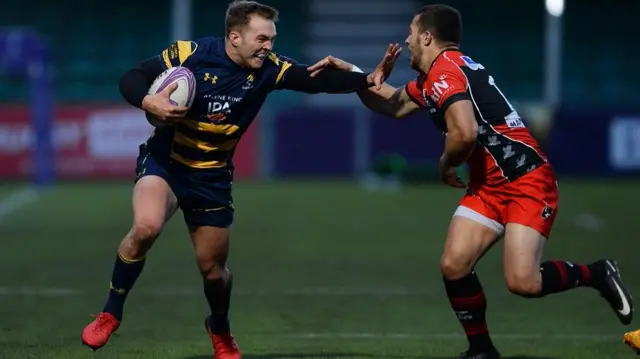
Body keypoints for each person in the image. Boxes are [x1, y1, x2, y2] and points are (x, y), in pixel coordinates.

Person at [308, 4, 633, 359]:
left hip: (525, 179)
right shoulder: (443, 72)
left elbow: (464, 132)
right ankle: (481, 349)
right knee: (454, 264)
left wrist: (446, 164)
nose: (407, 40)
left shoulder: (445, 73)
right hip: (490, 185)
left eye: (411, 34)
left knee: (523, 282)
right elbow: (394, 105)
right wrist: (354, 75)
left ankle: (598, 273)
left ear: (427, 37)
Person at [80, 1, 396, 358]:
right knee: (146, 227)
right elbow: (132, 77)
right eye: (262, 39)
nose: (269, 47)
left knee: (213, 272)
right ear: (234, 37)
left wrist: (367, 77)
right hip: (166, 163)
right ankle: (111, 312)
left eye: (272, 39)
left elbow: (314, 80)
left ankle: (219, 326)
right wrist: (149, 100)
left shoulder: (269, 69)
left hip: (212, 177)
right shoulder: (191, 54)